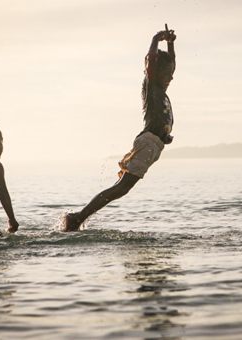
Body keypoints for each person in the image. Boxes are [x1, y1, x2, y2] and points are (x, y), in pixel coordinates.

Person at [62, 27, 177, 231]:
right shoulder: (152, 88)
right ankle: (77, 218)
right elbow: (151, 61)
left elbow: (171, 65)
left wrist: (170, 44)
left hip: (155, 145)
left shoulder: (161, 90)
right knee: (121, 188)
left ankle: (78, 217)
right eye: (167, 73)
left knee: (121, 188)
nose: (172, 76)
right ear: (155, 72)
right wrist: (155, 40)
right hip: (148, 142)